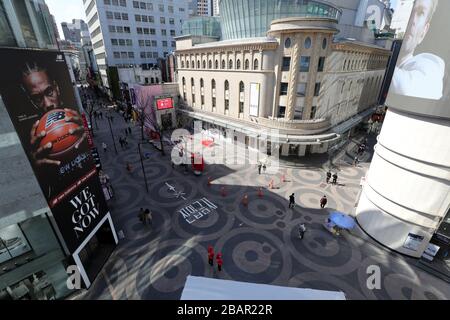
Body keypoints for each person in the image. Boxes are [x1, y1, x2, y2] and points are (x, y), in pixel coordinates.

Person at [390, 0, 444, 100]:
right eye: (410, 10)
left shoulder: (430, 66)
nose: (412, 20)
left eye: (420, 13)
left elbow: (407, 89)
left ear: (424, 31)